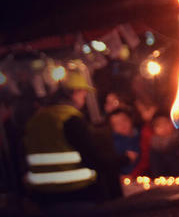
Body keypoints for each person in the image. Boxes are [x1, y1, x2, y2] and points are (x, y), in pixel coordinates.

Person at [21, 71, 126, 200]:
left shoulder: (35, 120)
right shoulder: (70, 119)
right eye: (83, 93)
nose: (85, 97)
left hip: (43, 196)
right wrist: (124, 160)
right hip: (75, 192)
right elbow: (92, 159)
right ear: (75, 92)